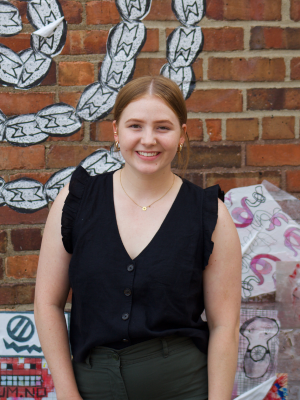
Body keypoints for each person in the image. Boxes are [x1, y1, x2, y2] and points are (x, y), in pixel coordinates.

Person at [34, 75, 242, 400]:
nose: (148, 140)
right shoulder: (76, 201)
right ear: (116, 132)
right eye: (135, 126)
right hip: (91, 388)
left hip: (183, 387)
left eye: (163, 127)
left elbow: (224, 327)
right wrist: (68, 393)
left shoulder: (210, 215)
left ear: (182, 135)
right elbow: (47, 304)